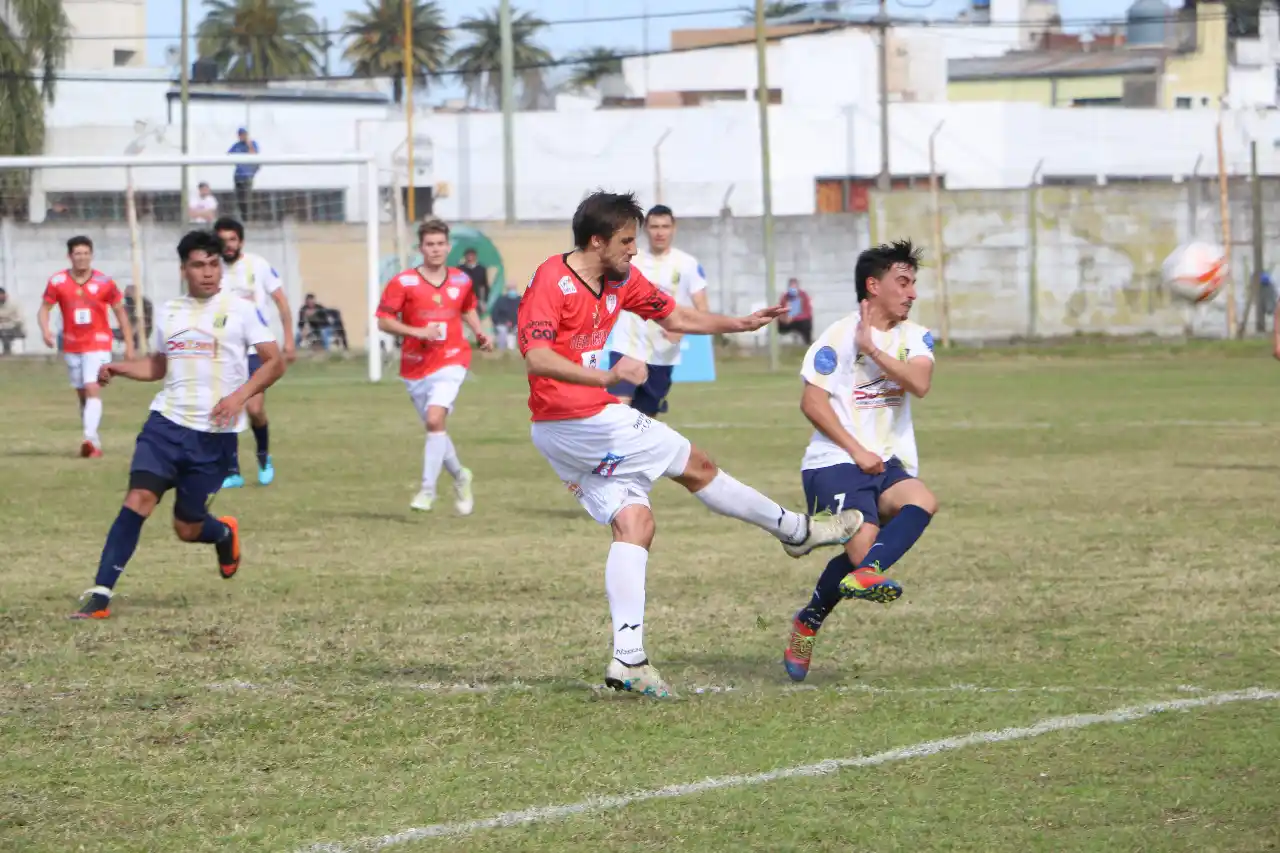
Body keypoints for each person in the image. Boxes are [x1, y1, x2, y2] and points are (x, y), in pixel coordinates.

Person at [518, 191, 864, 699]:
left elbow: (674, 317)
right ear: (596, 241)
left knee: (636, 523)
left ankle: (628, 659)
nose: (634, 251)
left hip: (573, 426)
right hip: (578, 421)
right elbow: (537, 357)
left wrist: (738, 324)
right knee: (695, 464)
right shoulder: (553, 280)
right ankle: (795, 530)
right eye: (625, 242)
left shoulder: (620, 279)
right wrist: (607, 375)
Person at [69, 230, 287, 620]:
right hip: (166, 425)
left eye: (213, 264)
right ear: (184, 268)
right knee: (137, 499)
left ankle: (223, 533)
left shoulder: (240, 308)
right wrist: (122, 367)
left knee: (186, 528)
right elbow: (159, 365)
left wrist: (238, 397)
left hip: (214, 438)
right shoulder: (171, 312)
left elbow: (275, 361)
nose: (208, 272)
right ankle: (100, 594)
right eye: (199, 265)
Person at [783, 240, 940, 682]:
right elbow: (811, 403)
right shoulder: (835, 336)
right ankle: (810, 621)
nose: (911, 293)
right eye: (902, 282)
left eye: (914, 284)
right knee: (860, 552)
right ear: (873, 286)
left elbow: (920, 383)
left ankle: (819, 608)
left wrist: (872, 349)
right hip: (834, 461)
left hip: (886, 462)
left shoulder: (915, 337)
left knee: (922, 500)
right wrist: (856, 450)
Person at [376, 218, 493, 514]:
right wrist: (416, 332)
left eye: (441, 244)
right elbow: (384, 320)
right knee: (436, 427)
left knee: (434, 419)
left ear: (448, 247)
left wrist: (479, 333)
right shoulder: (404, 282)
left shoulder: (461, 280)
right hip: (415, 365)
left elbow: (467, 308)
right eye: (430, 244)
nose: (436, 249)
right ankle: (460, 476)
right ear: (421, 248)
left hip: (452, 359)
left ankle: (427, 490)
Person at [214, 217, 295, 488]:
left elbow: (281, 302)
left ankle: (263, 456)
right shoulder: (210, 270)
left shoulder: (257, 265)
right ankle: (232, 470)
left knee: (254, 408)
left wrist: (289, 340)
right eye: (222, 241)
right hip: (224, 350)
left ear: (241, 241)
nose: (227, 246)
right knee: (226, 407)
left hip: (255, 349)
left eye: (232, 240)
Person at [606, 204, 708, 417]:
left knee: (645, 421)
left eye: (664, 226)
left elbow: (703, 310)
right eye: (654, 226)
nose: (660, 232)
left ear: (674, 228)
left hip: (662, 354)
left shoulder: (687, 264)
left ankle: (631, 450)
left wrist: (681, 328)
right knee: (617, 412)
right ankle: (611, 450)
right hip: (628, 347)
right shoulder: (630, 259)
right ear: (645, 229)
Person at [37, 236, 135, 457]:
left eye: (85, 253)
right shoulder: (57, 282)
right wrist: (45, 330)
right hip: (72, 345)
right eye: (77, 253)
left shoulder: (104, 282)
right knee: (82, 393)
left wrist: (129, 344)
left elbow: (120, 312)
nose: (82, 257)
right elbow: (44, 309)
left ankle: (89, 439)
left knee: (92, 387)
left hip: (99, 343)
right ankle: (93, 441)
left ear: (91, 255)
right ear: (70, 256)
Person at [227, 129, 260, 220]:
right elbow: (229, 154)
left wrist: (249, 145)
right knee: (239, 198)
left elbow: (254, 155)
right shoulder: (237, 146)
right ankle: (242, 217)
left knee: (247, 198)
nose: (242, 136)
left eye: (243, 134)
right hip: (238, 175)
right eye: (240, 135)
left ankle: (249, 218)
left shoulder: (252, 144)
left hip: (247, 175)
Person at [778, 278, 814, 345]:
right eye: (791, 286)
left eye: (795, 286)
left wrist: (793, 317)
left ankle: (808, 343)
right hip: (787, 321)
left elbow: (807, 313)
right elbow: (780, 310)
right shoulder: (785, 297)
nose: (793, 289)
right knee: (776, 323)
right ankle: (773, 344)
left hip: (800, 321)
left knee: (806, 323)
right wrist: (784, 318)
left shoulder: (803, 295)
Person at [490, 282, 521, 351]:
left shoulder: (520, 300)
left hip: (517, 324)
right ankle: (502, 350)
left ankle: (519, 351)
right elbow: (494, 314)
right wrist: (504, 322)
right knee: (502, 331)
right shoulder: (501, 300)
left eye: (513, 288)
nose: (512, 290)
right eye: (510, 288)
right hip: (502, 324)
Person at [458, 248, 490, 315]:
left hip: (477, 299)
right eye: (468, 255)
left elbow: (484, 286)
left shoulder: (481, 269)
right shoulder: (460, 269)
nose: (470, 258)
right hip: (463, 299)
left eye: (472, 255)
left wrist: (483, 301)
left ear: (475, 256)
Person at [0, 287, 24, 355]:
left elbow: (20, 320)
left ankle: (7, 352)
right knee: (3, 332)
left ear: (5, 295)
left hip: (15, 329)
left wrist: (6, 321)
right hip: (1, 328)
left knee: (5, 333)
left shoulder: (14, 305)